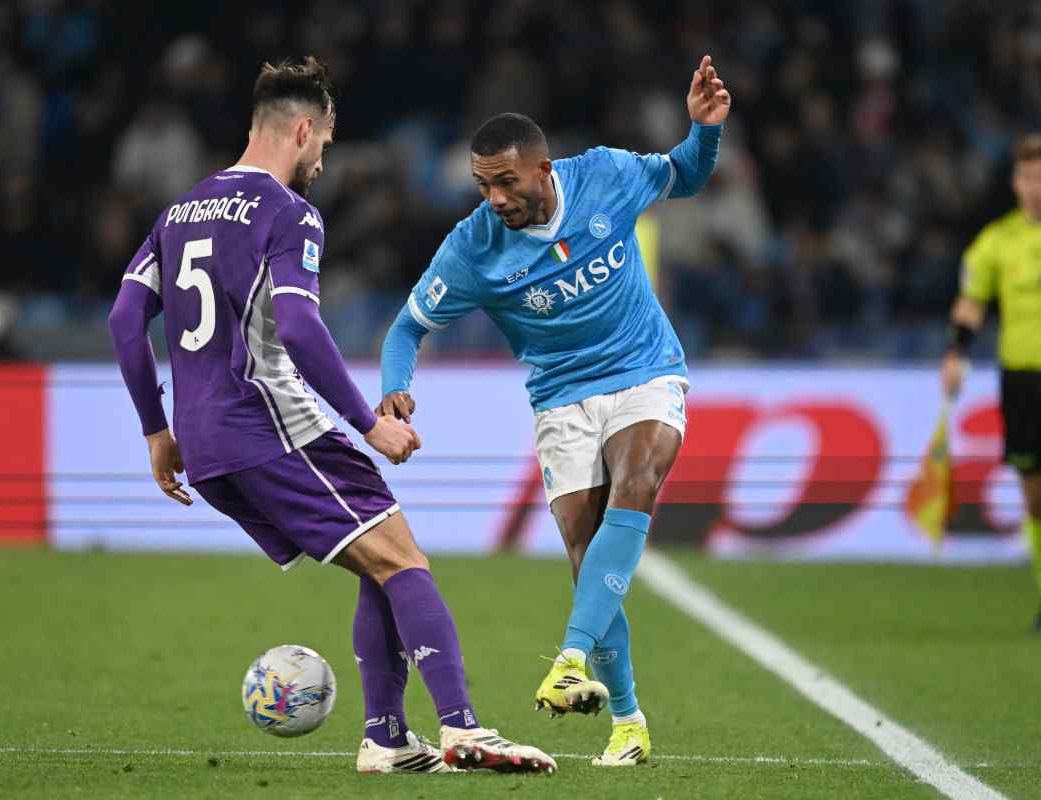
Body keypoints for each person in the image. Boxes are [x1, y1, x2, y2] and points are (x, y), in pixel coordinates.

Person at [107, 57, 554, 775]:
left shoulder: (180, 211)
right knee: (404, 561)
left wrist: (156, 431)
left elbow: (126, 321)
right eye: (325, 145)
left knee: (379, 563)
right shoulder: (289, 213)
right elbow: (300, 326)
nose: (322, 160)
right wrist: (365, 423)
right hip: (271, 425)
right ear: (305, 130)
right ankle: (465, 729)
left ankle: (385, 738)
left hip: (206, 443)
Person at [378, 55, 730, 766]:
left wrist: (704, 130)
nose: (495, 198)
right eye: (483, 185)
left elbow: (687, 174)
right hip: (560, 398)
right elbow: (406, 326)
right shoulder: (473, 246)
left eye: (506, 182)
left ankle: (570, 656)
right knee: (584, 555)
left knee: (639, 481)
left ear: (544, 169)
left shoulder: (604, 174)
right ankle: (628, 721)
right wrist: (395, 386)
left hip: (644, 371)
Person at [941, 134, 1041, 631]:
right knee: (1034, 493)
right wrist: (956, 352)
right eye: (1028, 177)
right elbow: (972, 302)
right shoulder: (998, 240)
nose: (1036, 187)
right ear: (1016, 182)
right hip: (1022, 378)